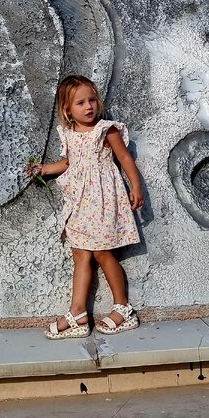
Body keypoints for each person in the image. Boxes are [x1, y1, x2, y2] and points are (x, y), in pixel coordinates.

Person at [26, 75, 144, 338]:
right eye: (80, 103)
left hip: (102, 201)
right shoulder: (68, 133)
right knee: (80, 254)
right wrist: (44, 169)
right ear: (68, 109)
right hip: (79, 203)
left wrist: (136, 186)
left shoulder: (106, 130)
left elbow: (124, 158)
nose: (88, 106)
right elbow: (68, 162)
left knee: (102, 253)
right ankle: (78, 313)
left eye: (92, 100)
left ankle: (123, 308)